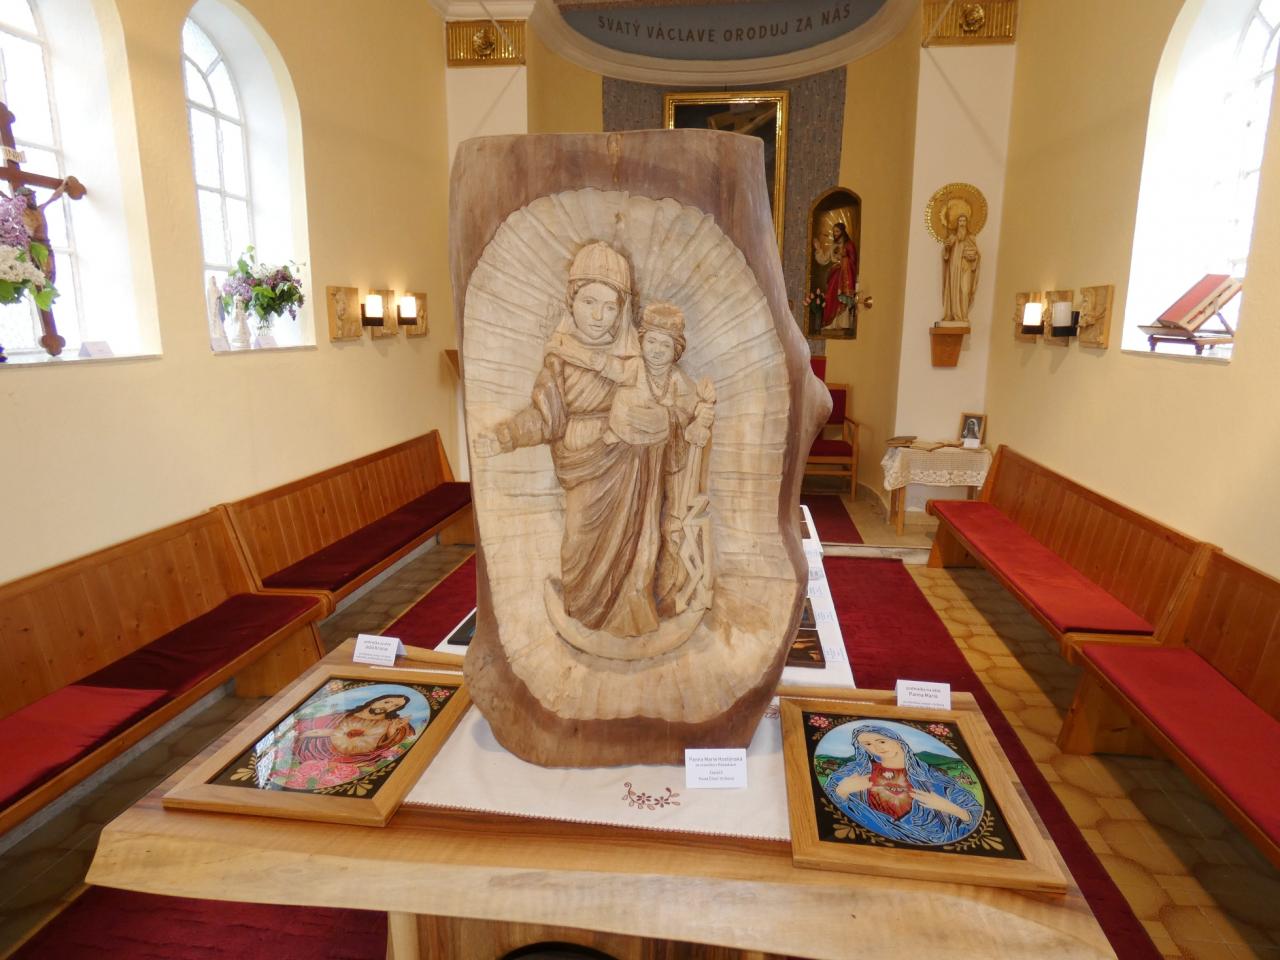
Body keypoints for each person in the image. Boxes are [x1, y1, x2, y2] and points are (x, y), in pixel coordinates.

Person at [473, 242, 668, 637]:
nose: (598, 316)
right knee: (578, 539)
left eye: (610, 306)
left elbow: (659, 406)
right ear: (571, 301)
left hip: (627, 464)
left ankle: (623, 615)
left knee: (630, 541)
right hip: (581, 461)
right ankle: (582, 614)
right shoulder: (560, 357)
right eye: (589, 302)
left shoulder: (633, 360)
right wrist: (505, 437)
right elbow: (545, 416)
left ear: (621, 311)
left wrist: (653, 421)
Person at [823, 723, 983, 845]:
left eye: (881, 741)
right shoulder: (855, 771)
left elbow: (974, 813)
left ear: (898, 742)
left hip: (928, 844)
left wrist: (949, 807)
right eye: (868, 744)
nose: (876, 748)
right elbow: (827, 799)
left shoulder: (930, 776)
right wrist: (842, 791)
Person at [940, 199, 980, 325]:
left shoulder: (971, 238)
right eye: (960, 221)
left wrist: (973, 257)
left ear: (967, 223)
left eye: (964, 221)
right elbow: (946, 256)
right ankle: (954, 314)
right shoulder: (952, 238)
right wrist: (947, 248)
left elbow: (977, 255)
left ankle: (963, 315)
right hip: (954, 268)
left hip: (966, 268)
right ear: (957, 223)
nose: (962, 223)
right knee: (954, 291)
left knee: (965, 291)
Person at [814, 221, 857, 333]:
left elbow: (853, 261)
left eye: (837, 231)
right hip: (834, 276)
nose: (835, 234)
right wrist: (818, 249)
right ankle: (830, 324)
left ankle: (842, 323)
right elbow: (824, 259)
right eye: (834, 232)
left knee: (842, 298)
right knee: (831, 297)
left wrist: (844, 258)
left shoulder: (849, 245)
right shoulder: (833, 246)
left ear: (843, 232)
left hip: (845, 276)